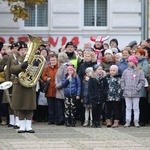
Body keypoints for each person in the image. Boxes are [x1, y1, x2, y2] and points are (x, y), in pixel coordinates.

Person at [10, 43, 36, 133]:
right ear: (19, 51)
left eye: (25, 50)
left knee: (29, 106)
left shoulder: (32, 60)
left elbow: (36, 71)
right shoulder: (15, 60)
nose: (23, 51)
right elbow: (12, 70)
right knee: (20, 106)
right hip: (19, 85)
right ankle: (21, 125)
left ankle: (28, 126)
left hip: (29, 84)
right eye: (22, 50)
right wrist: (21, 66)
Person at [120, 55, 145, 127]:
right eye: (129, 61)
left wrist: (138, 88)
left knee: (136, 107)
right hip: (127, 92)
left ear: (134, 62)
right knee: (128, 107)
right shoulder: (126, 71)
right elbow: (122, 80)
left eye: (130, 61)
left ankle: (136, 121)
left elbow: (142, 81)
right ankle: (128, 120)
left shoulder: (139, 71)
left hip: (136, 93)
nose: (129, 63)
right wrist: (123, 88)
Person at [42, 53, 58, 125]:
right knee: (50, 106)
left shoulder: (59, 68)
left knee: (57, 106)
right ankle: (51, 119)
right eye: (51, 60)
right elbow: (43, 76)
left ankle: (56, 119)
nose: (53, 61)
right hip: (49, 90)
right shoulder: (47, 68)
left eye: (54, 60)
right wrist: (46, 78)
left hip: (57, 89)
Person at [135, 49, 148, 126]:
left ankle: (143, 119)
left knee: (142, 103)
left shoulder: (144, 62)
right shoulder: (135, 62)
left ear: (142, 55)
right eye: (136, 54)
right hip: (134, 83)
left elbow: (144, 72)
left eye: (138, 54)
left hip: (142, 84)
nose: (136, 55)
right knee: (137, 104)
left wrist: (138, 71)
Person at [55, 52, 69, 125]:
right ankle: (60, 119)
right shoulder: (60, 66)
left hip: (63, 88)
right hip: (59, 88)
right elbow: (57, 76)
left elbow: (65, 78)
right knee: (59, 105)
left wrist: (58, 85)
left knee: (63, 106)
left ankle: (63, 119)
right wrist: (56, 83)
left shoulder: (66, 67)